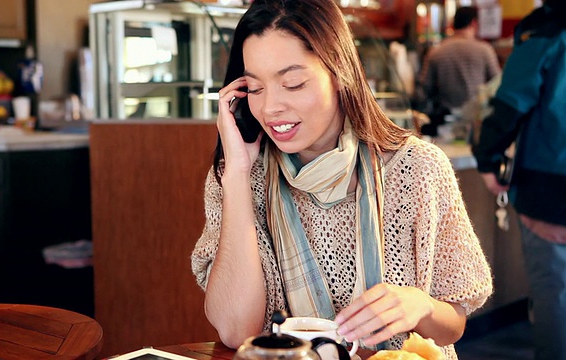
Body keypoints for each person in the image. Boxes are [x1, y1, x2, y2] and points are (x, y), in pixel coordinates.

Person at [191, 0, 492, 358]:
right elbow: (234, 329)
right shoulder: (239, 177)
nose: (270, 108)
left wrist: (420, 305)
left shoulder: (418, 169)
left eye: (293, 83)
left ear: (339, 73)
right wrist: (238, 175)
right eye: (255, 89)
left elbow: (453, 324)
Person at [472, 1, 566, 359]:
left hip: (552, 186)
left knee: (555, 291)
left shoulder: (549, 29)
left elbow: (511, 101)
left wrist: (488, 159)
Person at [417, 6, 501, 135]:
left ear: (453, 23)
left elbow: (424, 90)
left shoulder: (436, 52)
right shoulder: (485, 50)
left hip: (444, 124)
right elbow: (497, 85)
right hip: (476, 123)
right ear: (474, 23)